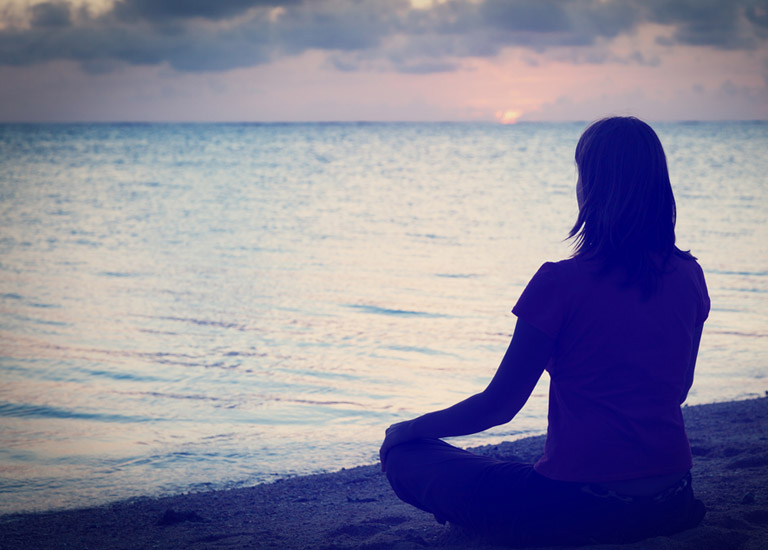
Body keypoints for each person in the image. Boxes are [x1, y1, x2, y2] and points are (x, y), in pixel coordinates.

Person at [379, 116, 710, 547]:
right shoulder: (689, 275)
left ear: (592, 187)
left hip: (581, 507)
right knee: (499, 469)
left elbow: (498, 407)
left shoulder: (560, 283)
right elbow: (679, 388)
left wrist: (408, 429)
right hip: (674, 500)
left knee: (408, 456)